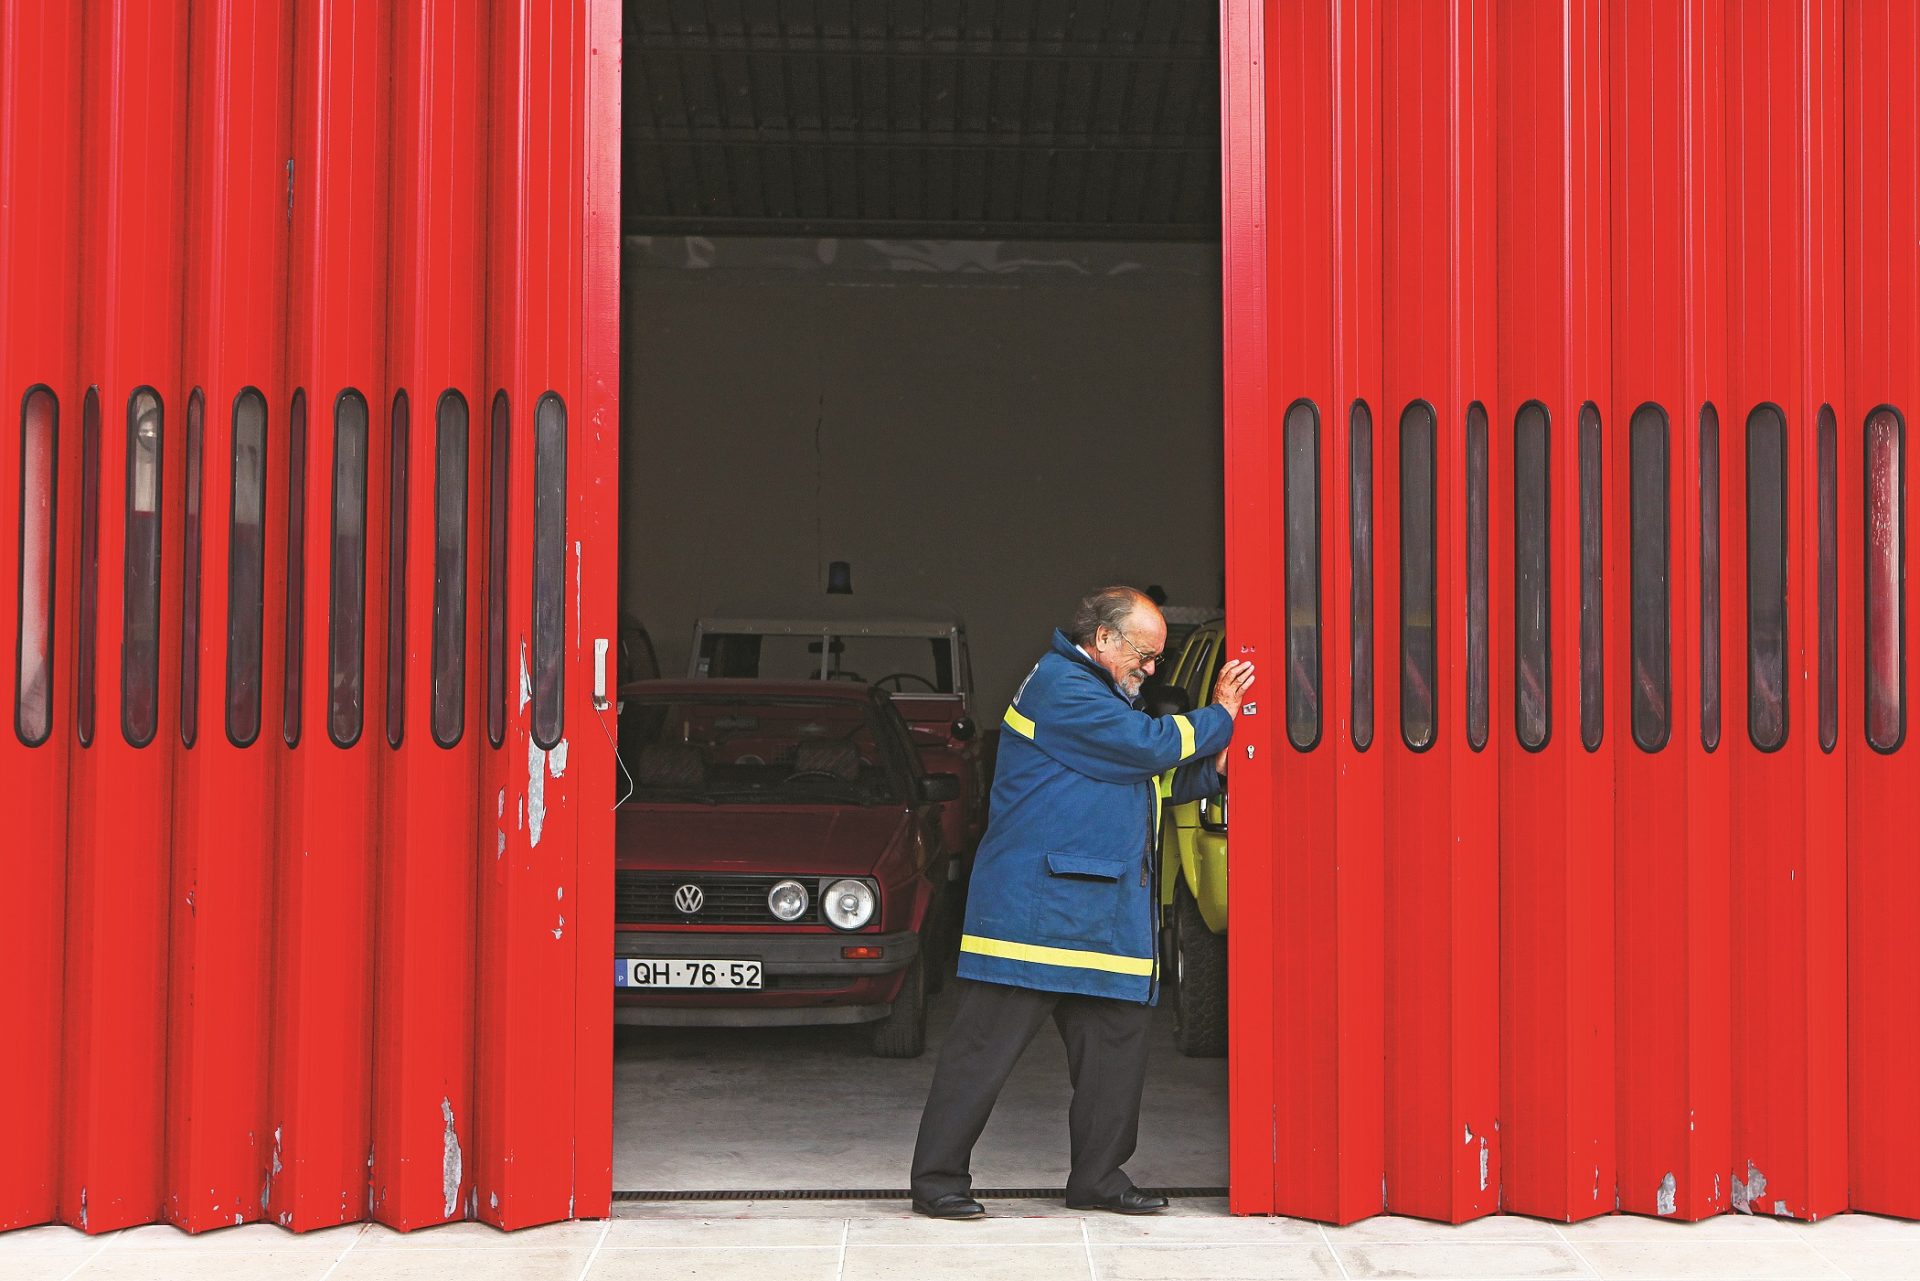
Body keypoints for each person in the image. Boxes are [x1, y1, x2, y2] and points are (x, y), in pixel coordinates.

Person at [909, 586, 1255, 1219]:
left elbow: (1146, 775)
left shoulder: (1094, 696)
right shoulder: (1060, 686)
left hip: (1102, 912)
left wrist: (1215, 772)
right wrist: (1222, 714)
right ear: (1102, 640)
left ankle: (1098, 1178)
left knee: (1115, 1054)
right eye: (1146, 657)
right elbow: (1149, 749)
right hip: (1035, 913)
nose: (1152, 671)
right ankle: (937, 1182)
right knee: (980, 1055)